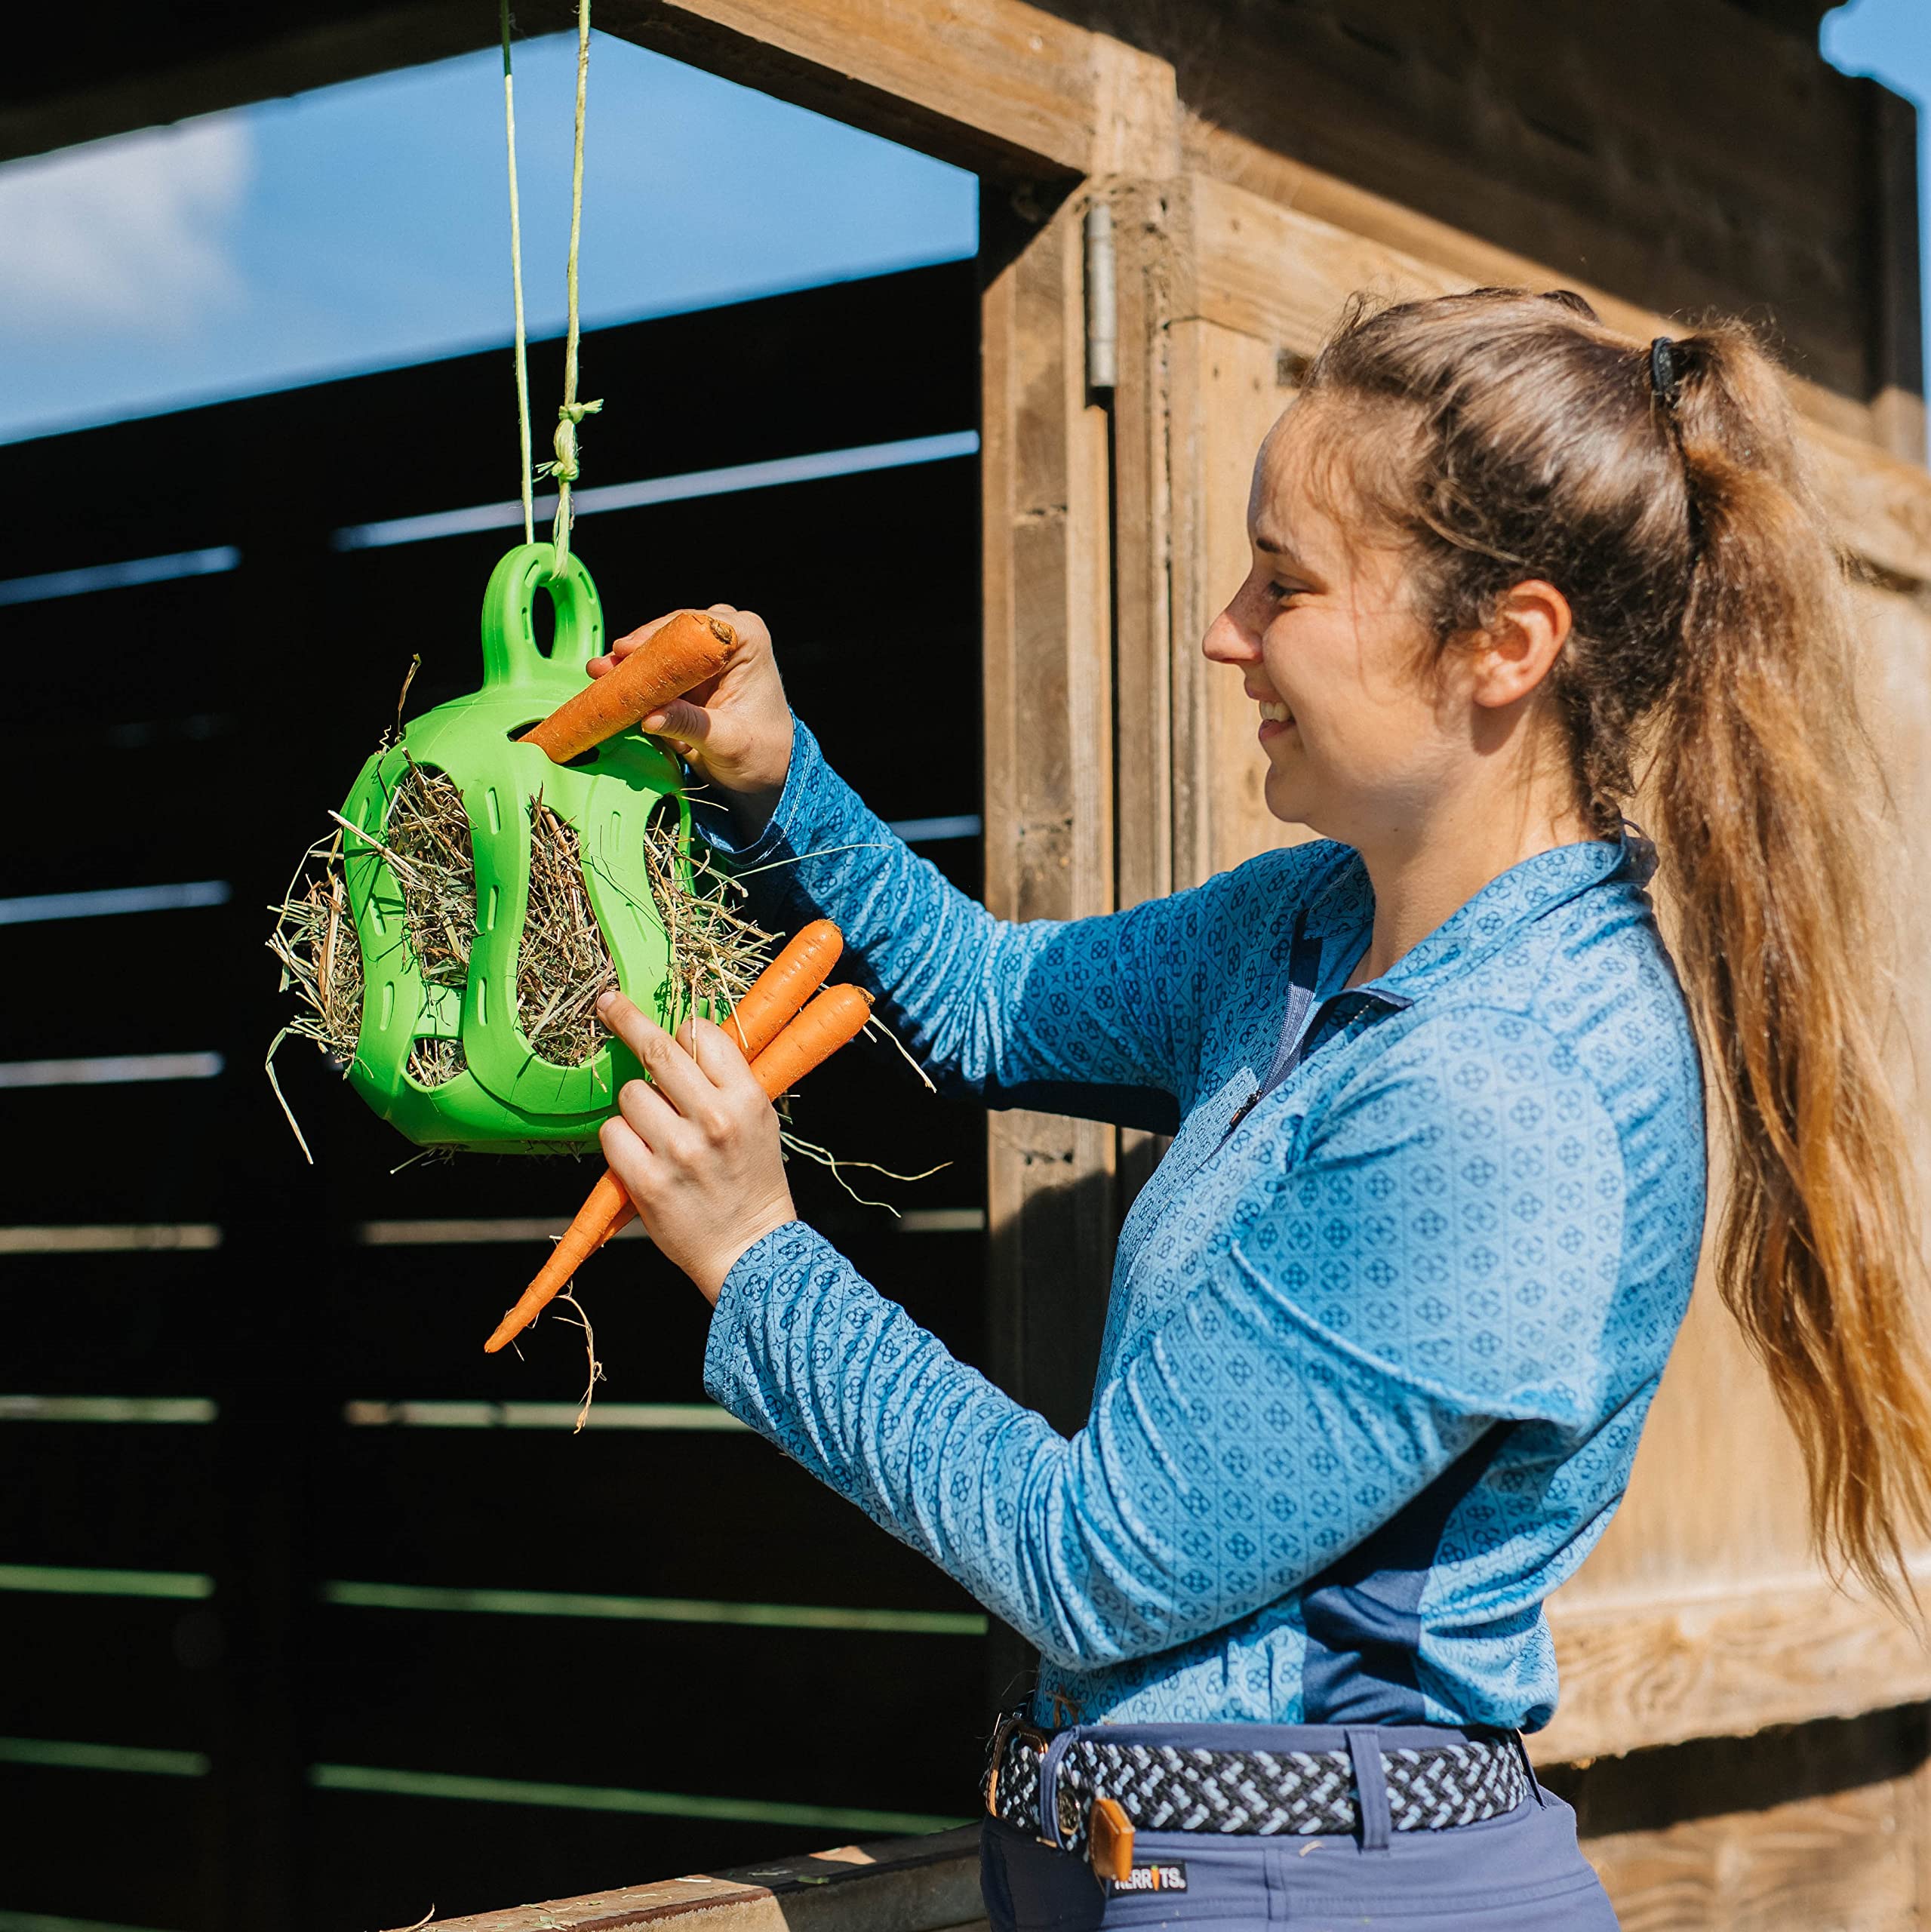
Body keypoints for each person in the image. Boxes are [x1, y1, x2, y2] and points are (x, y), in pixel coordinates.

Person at [580, 288, 1931, 1930]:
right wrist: (776, 773)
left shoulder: (1508, 1089)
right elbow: (999, 1002)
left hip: (1322, 1890)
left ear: (1503, 644)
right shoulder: (1304, 921)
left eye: (1283, 583)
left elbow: (1096, 1559)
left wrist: (755, 1255)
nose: (1224, 628)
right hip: (1184, 1875)